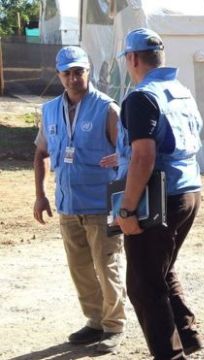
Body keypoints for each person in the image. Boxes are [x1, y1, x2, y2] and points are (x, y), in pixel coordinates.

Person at [116, 28, 204, 359]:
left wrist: (126, 209)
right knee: (162, 271)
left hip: (158, 196)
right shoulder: (179, 91)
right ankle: (187, 336)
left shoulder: (142, 96)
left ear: (133, 58)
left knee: (143, 284)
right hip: (188, 190)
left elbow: (144, 156)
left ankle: (170, 354)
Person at [33, 46, 126, 353]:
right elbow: (41, 153)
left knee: (106, 266)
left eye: (79, 72)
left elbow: (128, 154)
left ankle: (114, 326)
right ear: (59, 75)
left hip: (101, 204)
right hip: (68, 205)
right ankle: (95, 321)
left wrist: (120, 159)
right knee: (81, 269)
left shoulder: (107, 108)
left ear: (89, 71)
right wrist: (40, 195)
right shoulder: (49, 111)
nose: (74, 78)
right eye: (67, 73)